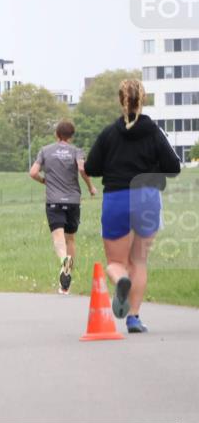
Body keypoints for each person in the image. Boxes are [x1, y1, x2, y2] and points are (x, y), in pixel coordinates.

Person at [84, 79, 181, 333]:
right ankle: (134, 318)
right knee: (139, 260)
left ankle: (121, 279)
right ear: (144, 100)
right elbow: (174, 167)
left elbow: (92, 167)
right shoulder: (154, 132)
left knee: (116, 262)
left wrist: (114, 166)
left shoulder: (109, 133)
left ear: (120, 101)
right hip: (147, 197)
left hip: (117, 197)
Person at [29, 119, 97, 294]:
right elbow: (82, 169)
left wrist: (44, 181)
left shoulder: (45, 150)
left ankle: (63, 260)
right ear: (71, 136)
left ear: (56, 134)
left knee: (58, 237)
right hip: (73, 200)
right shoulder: (76, 151)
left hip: (53, 200)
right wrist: (90, 187)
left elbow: (33, 172)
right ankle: (66, 284)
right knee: (70, 238)